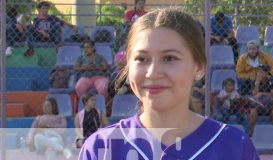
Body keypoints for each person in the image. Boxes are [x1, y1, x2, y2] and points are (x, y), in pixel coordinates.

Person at [79, 8, 260, 160]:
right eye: (142, 59)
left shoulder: (235, 147)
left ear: (199, 68)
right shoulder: (100, 148)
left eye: (169, 58)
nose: (152, 72)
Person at [248, 65, 273, 137]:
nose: (259, 74)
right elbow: (255, 94)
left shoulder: (270, 81)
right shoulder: (254, 81)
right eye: (258, 72)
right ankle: (251, 135)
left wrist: (261, 93)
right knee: (252, 113)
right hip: (257, 105)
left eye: (261, 72)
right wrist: (257, 83)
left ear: (266, 73)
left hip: (269, 105)